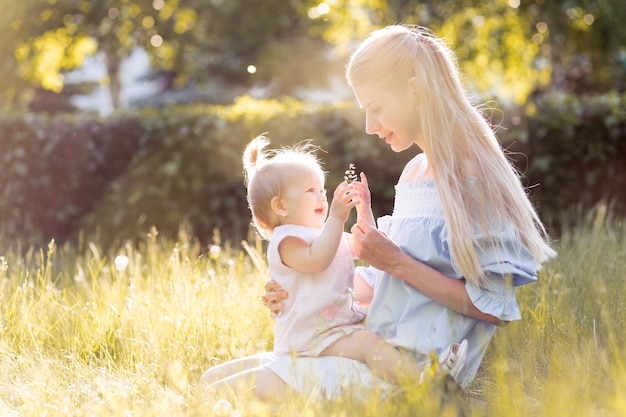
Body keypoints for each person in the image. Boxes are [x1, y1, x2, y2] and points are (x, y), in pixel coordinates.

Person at [260, 23, 556, 395]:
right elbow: (392, 284)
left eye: (376, 108)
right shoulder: (415, 171)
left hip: (420, 371)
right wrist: (301, 287)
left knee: (231, 388)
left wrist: (395, 260)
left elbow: (494, 307)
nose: (369, 126)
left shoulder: (472, 176)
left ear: (414, 89)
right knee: (218, 378)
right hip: (378, 347)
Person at [200, 134, 468, 401]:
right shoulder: (287, 240)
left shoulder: (325, 235)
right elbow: (318, 260)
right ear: (280, 206)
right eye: (310, 191)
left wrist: (364, 211)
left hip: (331, 330)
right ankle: (426, 385)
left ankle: (425, 381)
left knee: (372, 343)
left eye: (322, 190)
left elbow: (367, 246)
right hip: (311, 336)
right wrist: (336, 219)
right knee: (369, 345)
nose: (321, 196)